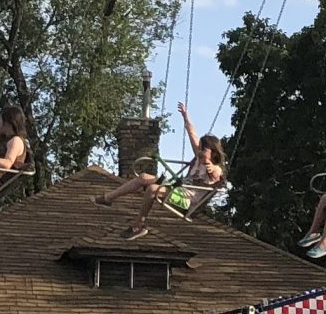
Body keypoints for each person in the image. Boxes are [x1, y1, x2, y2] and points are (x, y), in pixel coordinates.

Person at [98, 102, 228, 239]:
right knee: (143, 177)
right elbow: (192, 133)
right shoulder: (198, 158)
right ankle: (108, 198)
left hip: (187, 200)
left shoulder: (215, 168)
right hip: (177, 188)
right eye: (199, 148)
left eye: (203, 150)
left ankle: (139, 225)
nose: (200, 152)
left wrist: (211, 167)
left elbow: (216, 174)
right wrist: (185, 116)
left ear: (213, 152)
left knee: (153, 189)